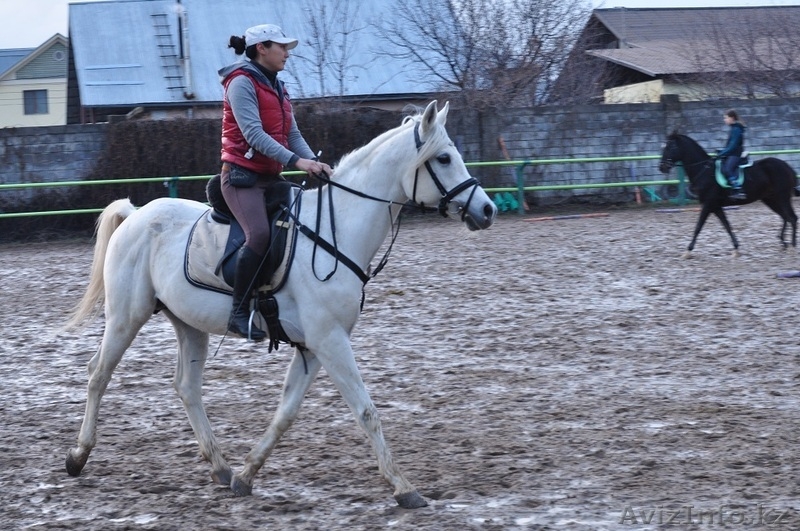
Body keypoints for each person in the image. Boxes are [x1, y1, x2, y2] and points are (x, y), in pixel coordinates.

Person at [218, 24, 332, 341]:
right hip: (241, 179)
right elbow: (254, 134)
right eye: (282, 47)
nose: (287, 52)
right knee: (259, 234)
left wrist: (313, 163)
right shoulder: (240, 83)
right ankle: (238, 312)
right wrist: (299, 162)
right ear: (261, 48)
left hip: (270, 178)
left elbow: (292, 134)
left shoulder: (278, 87)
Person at [718, 109, 747, 200]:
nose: (724, 120)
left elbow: (733, 146)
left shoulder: (736, 129)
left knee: (728, 169)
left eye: (726, 118)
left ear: (732, 118)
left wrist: (722, 153)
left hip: (735, 154)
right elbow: (729, 145)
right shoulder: (734, 128)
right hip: (732, 153)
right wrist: (721, 151)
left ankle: (738, 189)